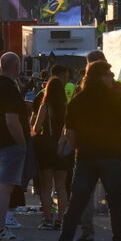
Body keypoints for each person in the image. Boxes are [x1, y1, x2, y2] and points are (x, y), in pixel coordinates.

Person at [49, 60, 121, 241]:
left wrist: (79, 148)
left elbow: (70, 134)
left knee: (76, 205)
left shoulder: (77, 101)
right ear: (101, 76)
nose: (112, 78)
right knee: (117, 206)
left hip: (86, 157)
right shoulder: (117, 99)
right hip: (112, 156)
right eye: (110, 75)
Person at [0, 52, 30, 241]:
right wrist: (22, 142)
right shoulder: (10, 89)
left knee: (0, 186)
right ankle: (0, 229)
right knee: (6, 187)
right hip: (10, 143)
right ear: (16, 67)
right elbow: (12, 120)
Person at [33, 77, 71, 230]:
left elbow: (36, 128)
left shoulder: (45, 106)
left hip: (47, 147)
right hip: (62, 148)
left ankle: (48, 219)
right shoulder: (67, 107)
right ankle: (61, 219)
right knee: (61, 187)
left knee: (46, 186)